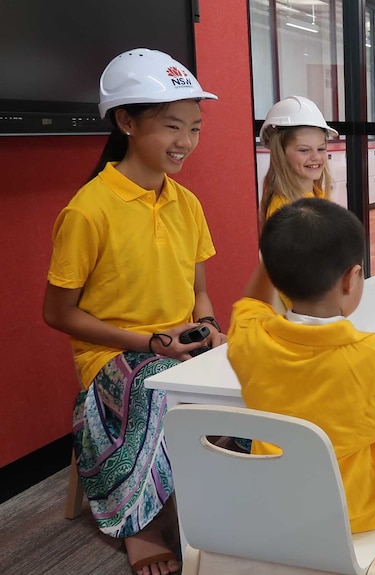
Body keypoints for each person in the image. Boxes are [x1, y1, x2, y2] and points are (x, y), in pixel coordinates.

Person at [42, 48, 224, 575]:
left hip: (177, 344)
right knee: (160, 385)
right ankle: (144, 527)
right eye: (172, 126)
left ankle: (219, 502)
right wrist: (150, 343)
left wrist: (209, 330)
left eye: (194, 127)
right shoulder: (88, 209)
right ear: (125, 122)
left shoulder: (186, 203)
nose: (186, 142)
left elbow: (201, 297)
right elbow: (57, 313)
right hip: (112, 357)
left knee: (248, 373)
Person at [227, 198, 375, 573]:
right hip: (360, 512)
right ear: (351, 277)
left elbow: (250, 302)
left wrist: (275, 263)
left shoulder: (249, 336)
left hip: (275, 504)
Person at [258, 95, 338, 223]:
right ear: (281, 154)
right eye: (304, 150)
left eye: (321, 149)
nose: (316, 157)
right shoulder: (285, 210)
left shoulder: (316, 194)